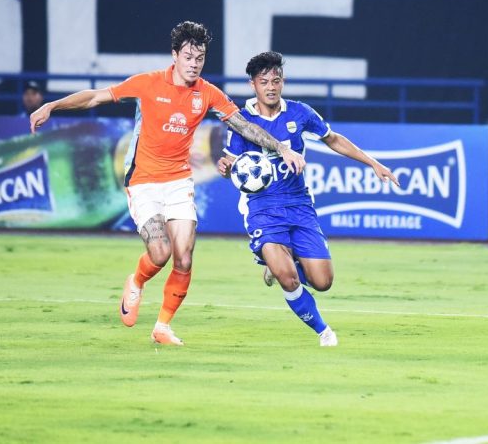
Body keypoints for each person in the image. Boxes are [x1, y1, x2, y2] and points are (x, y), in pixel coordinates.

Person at [30, 22, 306, 346]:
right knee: (159, 253)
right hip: (143, 180)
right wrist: (52, 105)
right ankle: (136, 281)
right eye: (188, 56)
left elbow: (244, 125)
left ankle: (162, 326)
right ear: (174, 55)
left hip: (178, 181)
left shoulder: (206, 93)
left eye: (200, 58)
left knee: (185, 257)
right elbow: (94, 98)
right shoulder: (147, 84)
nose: (194, 64)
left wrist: (282, 147)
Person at [217, 51, 399, 347]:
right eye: (264, 82)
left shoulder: (299, 112)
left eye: (276, 80)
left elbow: (333, 139)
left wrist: (373, 163)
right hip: (262, 208)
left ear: (283, 82)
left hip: (299, 204)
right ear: (253, 85)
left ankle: (277, 263)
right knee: (289, 280)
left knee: (323, 282)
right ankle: (324, 332)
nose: (271, 87)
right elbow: (229, 164)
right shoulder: (242, 121)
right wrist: (224, 167)